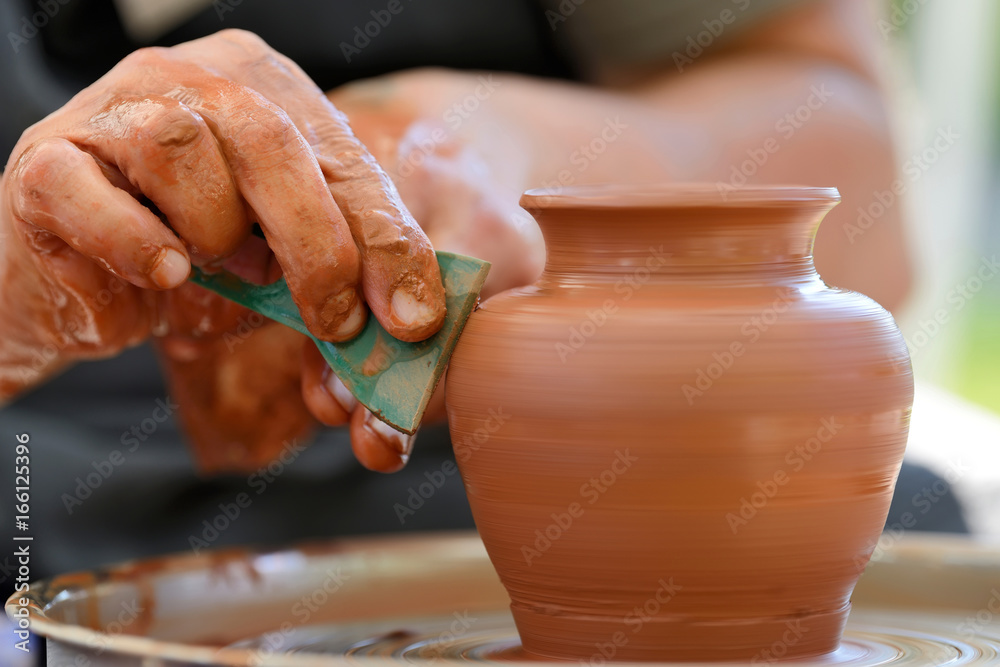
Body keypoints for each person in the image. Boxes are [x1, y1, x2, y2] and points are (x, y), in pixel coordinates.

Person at [0, 0, 965, 587]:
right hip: (42, 486)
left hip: (492, 467)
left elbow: (863, 209)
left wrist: (478, 153)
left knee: (878, 532)